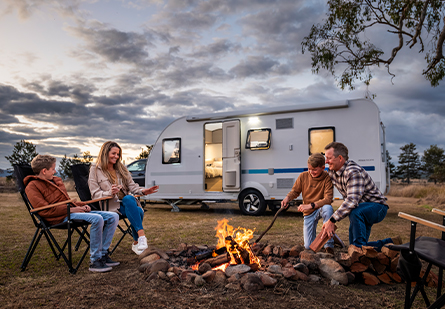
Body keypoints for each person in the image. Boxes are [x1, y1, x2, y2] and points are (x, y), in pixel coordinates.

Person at [24, 154, 120, 273]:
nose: (55, 171)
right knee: (97, 219)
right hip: (59, 217)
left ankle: (103, 254)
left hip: (70, 211)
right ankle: (95, 260)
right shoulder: (32, 186)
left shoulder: (55, 181)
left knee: (113, 216)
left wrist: (81, 206)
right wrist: (72, 210)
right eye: (53, 168)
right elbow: (45, 210)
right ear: (44, 171)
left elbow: (66, 201)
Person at [322, 142, 399, 251]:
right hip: (361, 208)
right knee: (355, 246)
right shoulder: (332, 171)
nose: (326, 161)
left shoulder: (353, 172)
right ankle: (390, 244)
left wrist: (332, 220)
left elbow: (352, 201)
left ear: (340, 158)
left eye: (329, 158)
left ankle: (367, 248)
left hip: (377, 207)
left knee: (355, 213)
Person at [88, 141, 159, 255]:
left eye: (118, 154)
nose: (116, 157)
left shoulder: (121, 168)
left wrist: (143, 191)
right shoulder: (95, 169)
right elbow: (95, 194)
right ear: (105, 153)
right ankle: (138, 240)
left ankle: (139, 239)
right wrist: (109, 192)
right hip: (110, 206)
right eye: (114, 153)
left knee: (129, 199)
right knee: (138, 211)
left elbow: (132, 185)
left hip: (126, 203)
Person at [281, 153, 335, 254]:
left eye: (314, 169)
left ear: (323, 168)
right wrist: (287, 198)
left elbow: (328, 199)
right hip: (309, 213)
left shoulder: (327, 178)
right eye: (309, 169)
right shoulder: (303, 176)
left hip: (320, 208)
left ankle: (329, 245)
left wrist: (310, 205)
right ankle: (330, 232)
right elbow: (295, 191)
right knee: (308, 246)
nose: (311, 172)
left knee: (328, 208)